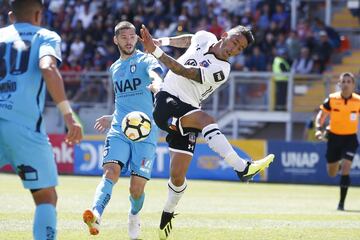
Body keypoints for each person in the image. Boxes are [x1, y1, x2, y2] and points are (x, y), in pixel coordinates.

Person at [139, 24, 274, 239]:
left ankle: (167, 214)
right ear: (224, 35)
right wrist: (161, 42)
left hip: (188, 111)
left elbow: (183, 70)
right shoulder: (204, 37)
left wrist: (155, 51)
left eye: (240, 48)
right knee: (206, 120)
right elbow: (188, 39)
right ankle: (242, 168)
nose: (234, 48)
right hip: (168, 101)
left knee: (177, 176)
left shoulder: (222, 69)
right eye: (234, 41)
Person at [0, 1, 83, 239]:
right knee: (46, 197)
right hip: (24, 127)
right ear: (38, 14)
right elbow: (47, 67)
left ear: (11, 16)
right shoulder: (45, 36)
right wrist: (68, 115)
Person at [82, 21, 163, 239]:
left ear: (137, 38)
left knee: (136, 190)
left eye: (132, 36)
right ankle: (96, 213)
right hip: (120, 128)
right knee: (111, 172)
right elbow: (122, 99)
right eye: (124, 37)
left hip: (145, 131)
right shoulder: (114, 68)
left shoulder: (146, 59)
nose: (129, 40)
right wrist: (112, 116)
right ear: (115, 40)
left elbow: (155, 75)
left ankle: (134, 215)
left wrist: (156, 85)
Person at [315, 72, 360, 211]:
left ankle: (341, 204)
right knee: (332, 173)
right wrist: (318, 128)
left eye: (349, 81)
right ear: (339, 84)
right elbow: (321, 115)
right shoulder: (332, 99)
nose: (346, 84)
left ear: (353, 85)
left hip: (350, 139)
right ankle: (338, 164)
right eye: (343, 81)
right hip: (334, 138)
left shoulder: (358, 101)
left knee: (346, 167)